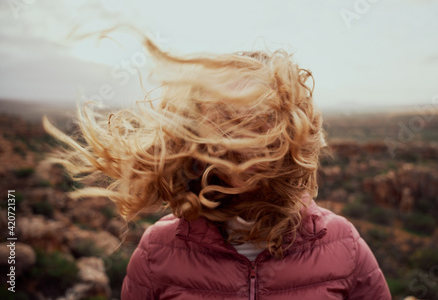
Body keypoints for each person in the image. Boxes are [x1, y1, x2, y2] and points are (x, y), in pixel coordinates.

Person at [43, 38, 391, 299]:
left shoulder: (343, 244)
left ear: (294, 135)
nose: (247, 143)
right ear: (198, 141)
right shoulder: (159, 251)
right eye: (228, 126)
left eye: (264, 122)